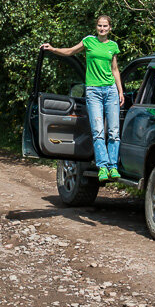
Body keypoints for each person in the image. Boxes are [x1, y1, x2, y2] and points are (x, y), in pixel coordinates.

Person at [41, 14, 125, 182]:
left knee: (114, 131)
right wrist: (53, 49)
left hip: (111, 91)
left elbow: (115, 69)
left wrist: (120, 91)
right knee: (98, 130)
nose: (102, 28)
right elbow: (71, 51)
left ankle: (113, 167)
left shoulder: (113, 46)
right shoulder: (88, 41)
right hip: (93, 91)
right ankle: (102, 167)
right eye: (100, 26)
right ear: (96, 27)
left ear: (110, 28)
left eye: (105, 26)